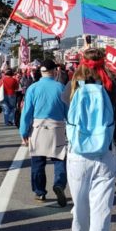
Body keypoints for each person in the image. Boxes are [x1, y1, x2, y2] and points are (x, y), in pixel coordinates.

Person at [66, 48, 116, 231]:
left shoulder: (73, 84)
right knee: (101, 216)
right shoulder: (110, 84)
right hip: (105, 154)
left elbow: (64, 113)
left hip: (78, 154)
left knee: (80, 210)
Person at [20, 59, 69, 205]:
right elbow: (68, 112)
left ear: (41, 72)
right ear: (55, 71)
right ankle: (59, 184)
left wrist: (23, 132)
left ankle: (40, 192)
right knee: (59, 160)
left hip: (38, 127)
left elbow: (26, 112)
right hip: (57, 128)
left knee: (37, 162)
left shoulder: (33, 88)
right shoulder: (61, 87)